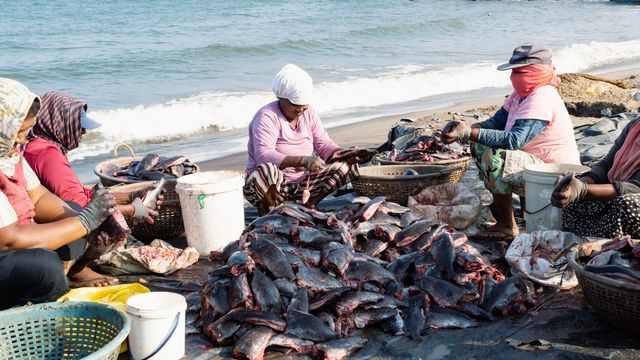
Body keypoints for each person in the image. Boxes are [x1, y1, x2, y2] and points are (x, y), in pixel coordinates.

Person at [441, 43, 581, 241]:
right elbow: (496, 122)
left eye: (521, 71)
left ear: (538, 71)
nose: (516, 76)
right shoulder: (521, 95)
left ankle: (508, 224)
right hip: (534, 165)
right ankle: (516, 214)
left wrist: (469, 134)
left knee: (492, 154)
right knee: (480, 143)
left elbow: (515, 140)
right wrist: (463, 128)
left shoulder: (542, 97)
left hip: (555, 174)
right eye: (514, 71)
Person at [0, 78, 117, 309]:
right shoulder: (43, 152)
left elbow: (39, 196)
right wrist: (85, 220)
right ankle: (21, 311)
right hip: (8, 244)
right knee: (44, 269)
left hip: (21, 235)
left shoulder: (10, 154)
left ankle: (64, 280)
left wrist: (82, 220)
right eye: (19, 132)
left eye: (26, 131)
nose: (22, 140)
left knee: (73, 224)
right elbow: (9, 240)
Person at [24, 91, 160, 224]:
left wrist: (132, 196)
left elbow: (83, 193)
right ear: (59, 123)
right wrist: (132, 210)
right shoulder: (47, 154)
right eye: (79, 126)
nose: (84, 131)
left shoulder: (44, 146)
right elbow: (80, 206)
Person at [244, 64, 363, 214]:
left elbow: (323, 144)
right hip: (269, 185)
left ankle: (310, 205)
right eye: (295, 105)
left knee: (347, 164)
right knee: (266, 170)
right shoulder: (267, 116)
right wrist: (303, 161)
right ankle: (270, 212)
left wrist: (344, 153)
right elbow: (263, 155)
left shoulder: (309, 113)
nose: (300, 110)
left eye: (303, 106)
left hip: (303, 184)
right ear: (281, 98)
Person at [551, 116, 640, 238]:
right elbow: (606, 164)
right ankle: (578, 244)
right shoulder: (635, 126)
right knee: (574, 197)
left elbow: (635, 187)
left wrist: (583, 189)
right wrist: (577, 185)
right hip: (617, 189)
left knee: (625, 204)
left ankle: (616, 246)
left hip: (630, 196)